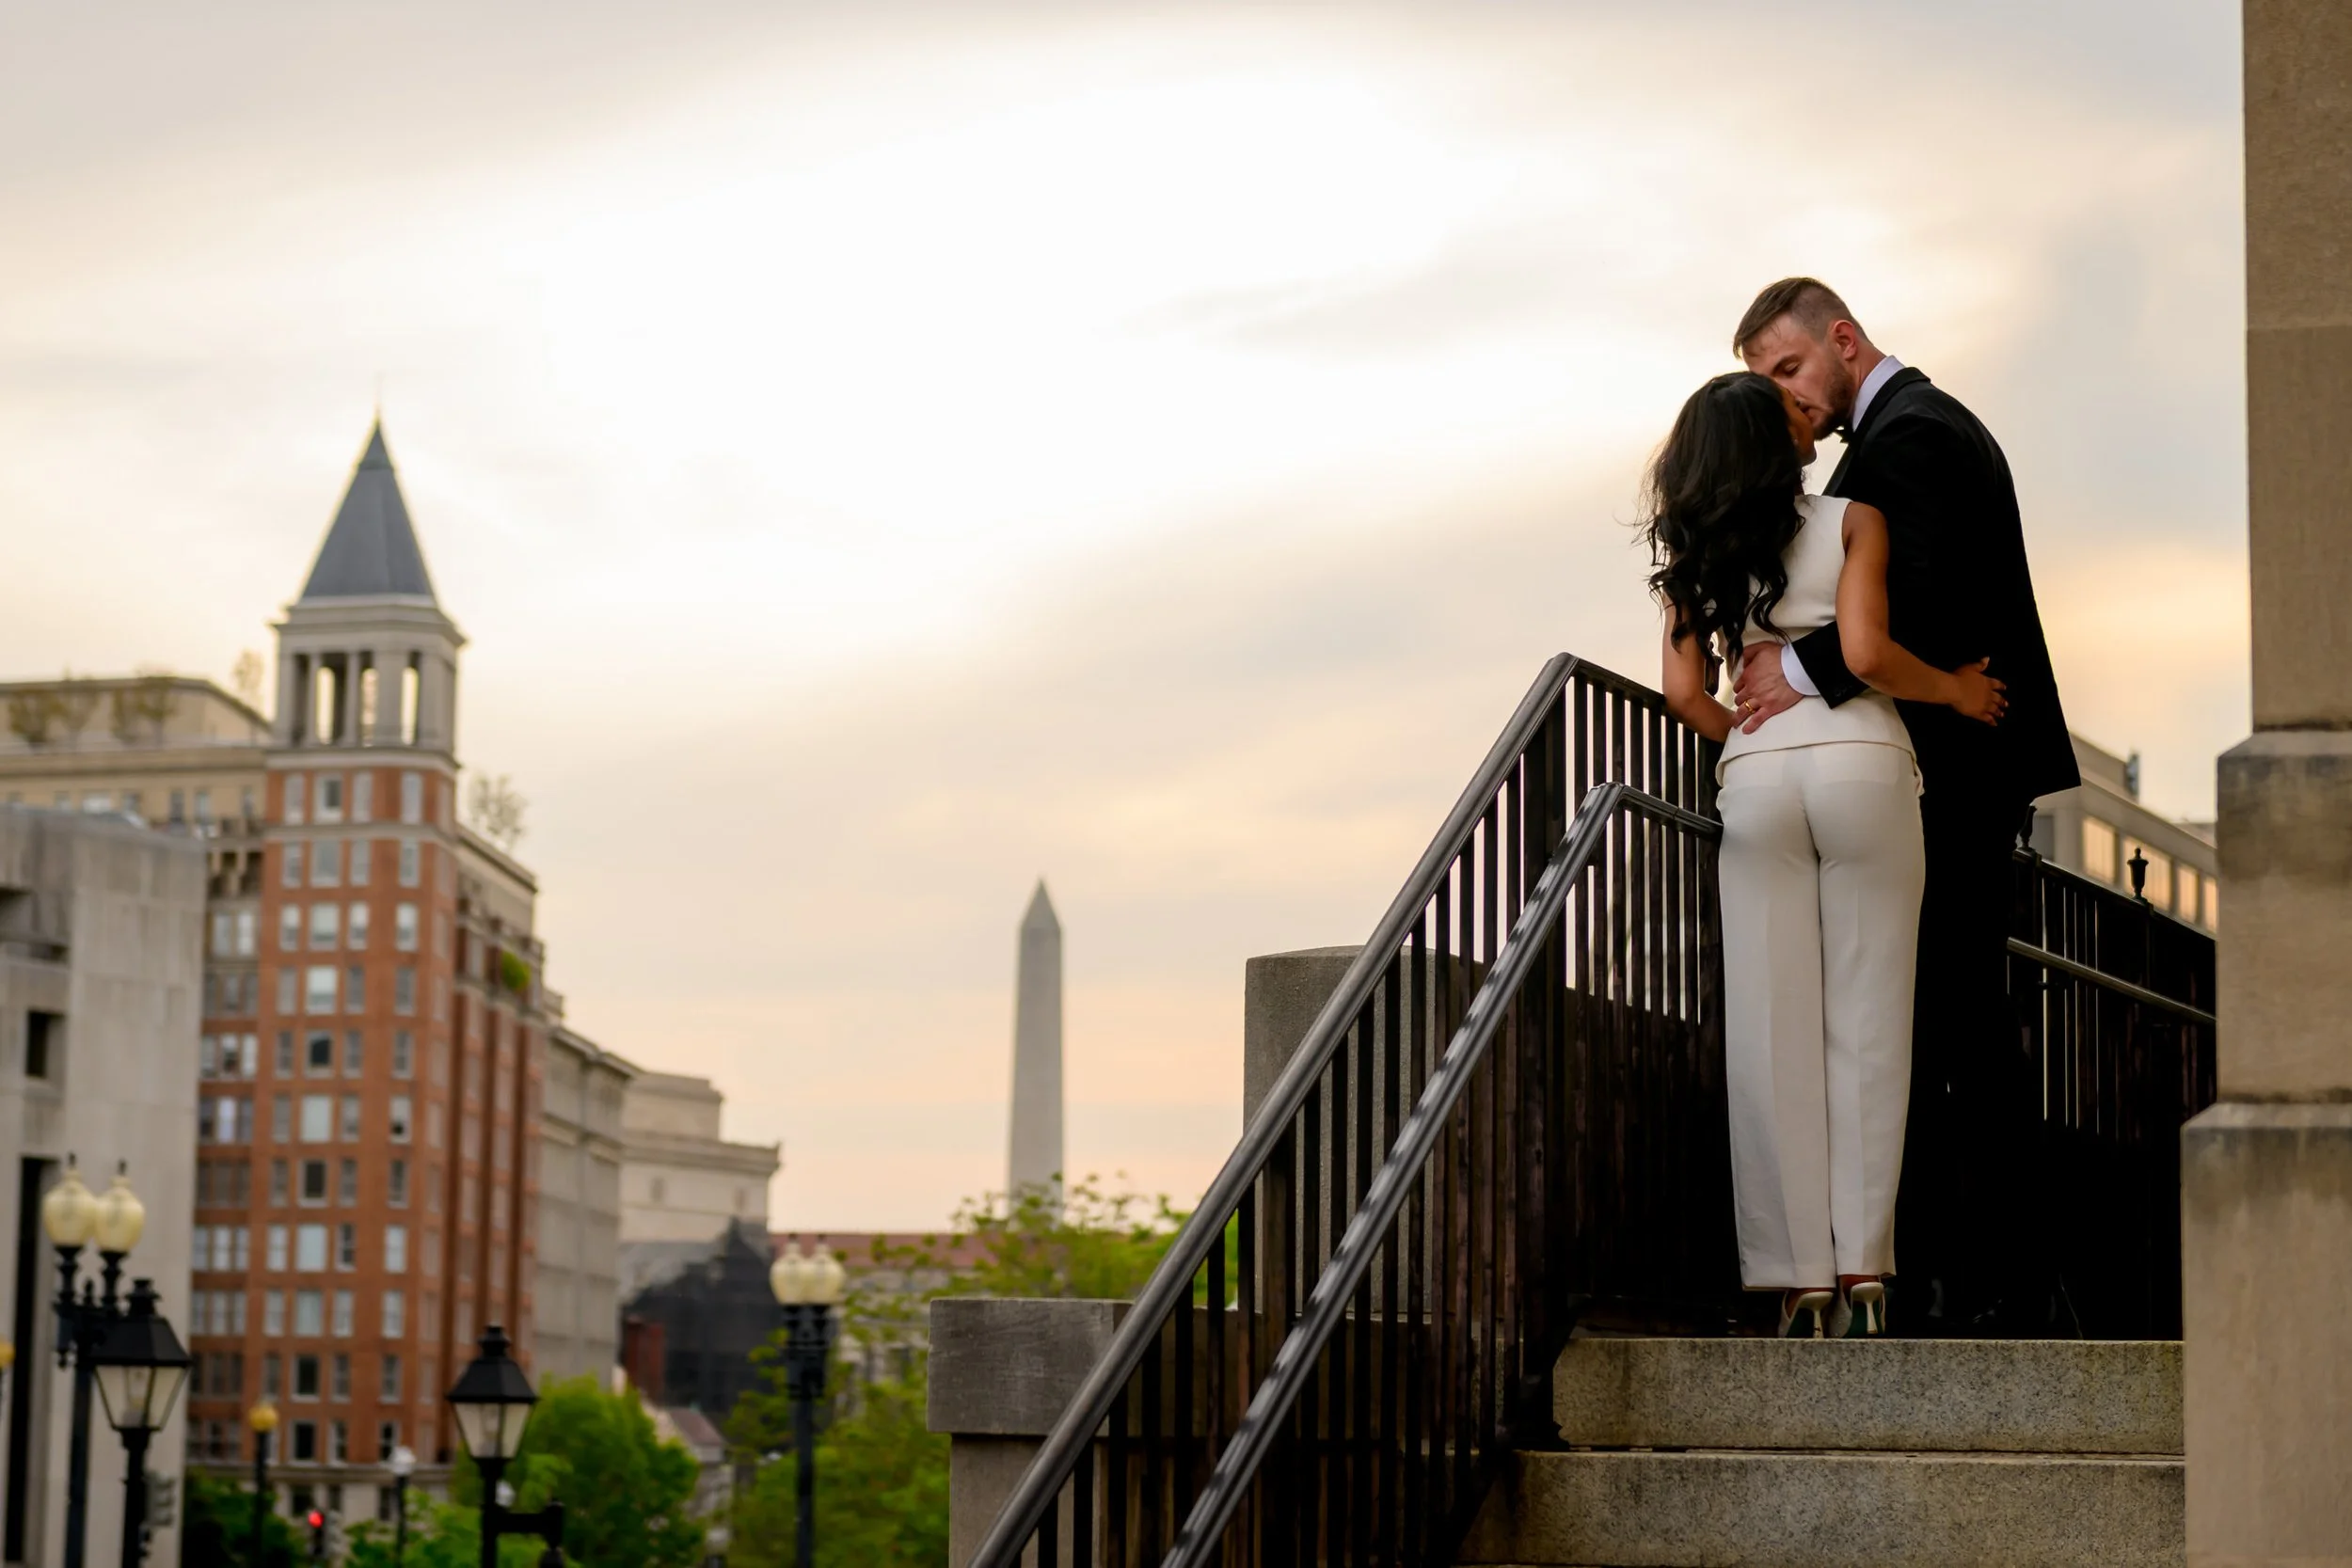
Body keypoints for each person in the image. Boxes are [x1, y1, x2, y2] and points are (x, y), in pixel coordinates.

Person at [1730, 278, 2078, 1333]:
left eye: (1789, 371)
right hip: (1950, 765)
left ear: (1842, 340)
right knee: (1943, 1018)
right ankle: (1973, 1281)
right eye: (1767, 385)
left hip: (1954, 768)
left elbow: (1912, 598)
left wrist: (1792, 669)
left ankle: (1999, 1287)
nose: (1787, 401)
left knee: (1954, 1023)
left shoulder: (1912, 436)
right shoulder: (1908, 431)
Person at [1647, 371, 2007, 1337]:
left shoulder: (1693, 549)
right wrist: (1958, 691)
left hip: (1759, 781)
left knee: (1772, 1025)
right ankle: (1865, 1267)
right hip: (1864, 766)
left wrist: (1753, 731)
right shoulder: (1853, 519)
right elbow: (1867, 651)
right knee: (1869, 1012)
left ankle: (1793, 1276)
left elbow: (1685, 695)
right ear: (1777, 442)